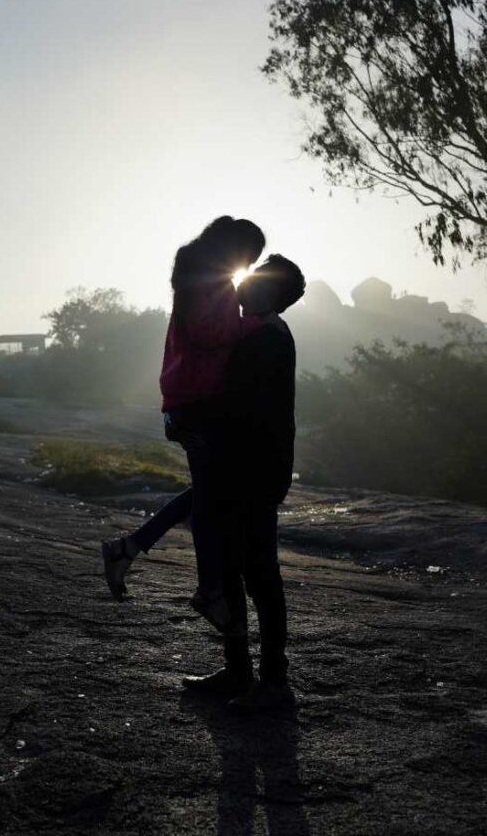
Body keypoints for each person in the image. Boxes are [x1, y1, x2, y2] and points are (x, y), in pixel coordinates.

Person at [102, 215, 266, 630]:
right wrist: (255, 324)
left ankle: (128, 549)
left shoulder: (199, 272)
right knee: (209, 499)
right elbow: (209, 332)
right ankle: (207, 590)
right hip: (198, 402)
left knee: (209, 492)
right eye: (250, 257)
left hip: (193, 399)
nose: (248, 266)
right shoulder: (206, 277)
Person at [182, 254, 305, 712]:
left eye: (256, 277)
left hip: (254, 472)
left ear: (270, 292)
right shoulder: (257, 332)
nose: (244, 282)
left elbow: (237, 404)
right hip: (242, 469)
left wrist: (193, 419)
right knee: (232, 570)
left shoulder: (266, 338)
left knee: (259, 575)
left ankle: (273, 681)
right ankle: (238, 670)